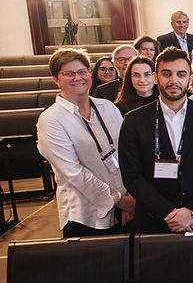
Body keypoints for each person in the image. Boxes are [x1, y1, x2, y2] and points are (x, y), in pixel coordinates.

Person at [118, 47, 193, 232]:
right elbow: (132, 176)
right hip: (155, 220)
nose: (173, 80)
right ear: (155, 77)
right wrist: (168, 212)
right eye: (166, 74)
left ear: (189, 79)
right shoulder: (133, 120)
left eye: (181, 74)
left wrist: (191, 211)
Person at [36, 48, 136, 236]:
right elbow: (74, 174)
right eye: (69, 74)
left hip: (126, 209)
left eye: (82, 71)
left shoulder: (107, 107)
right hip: (86, 215)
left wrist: (130, 198)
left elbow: (128, 153)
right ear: (56, 79)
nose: (78, 78)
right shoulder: (51, 120)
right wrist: (120, 201)